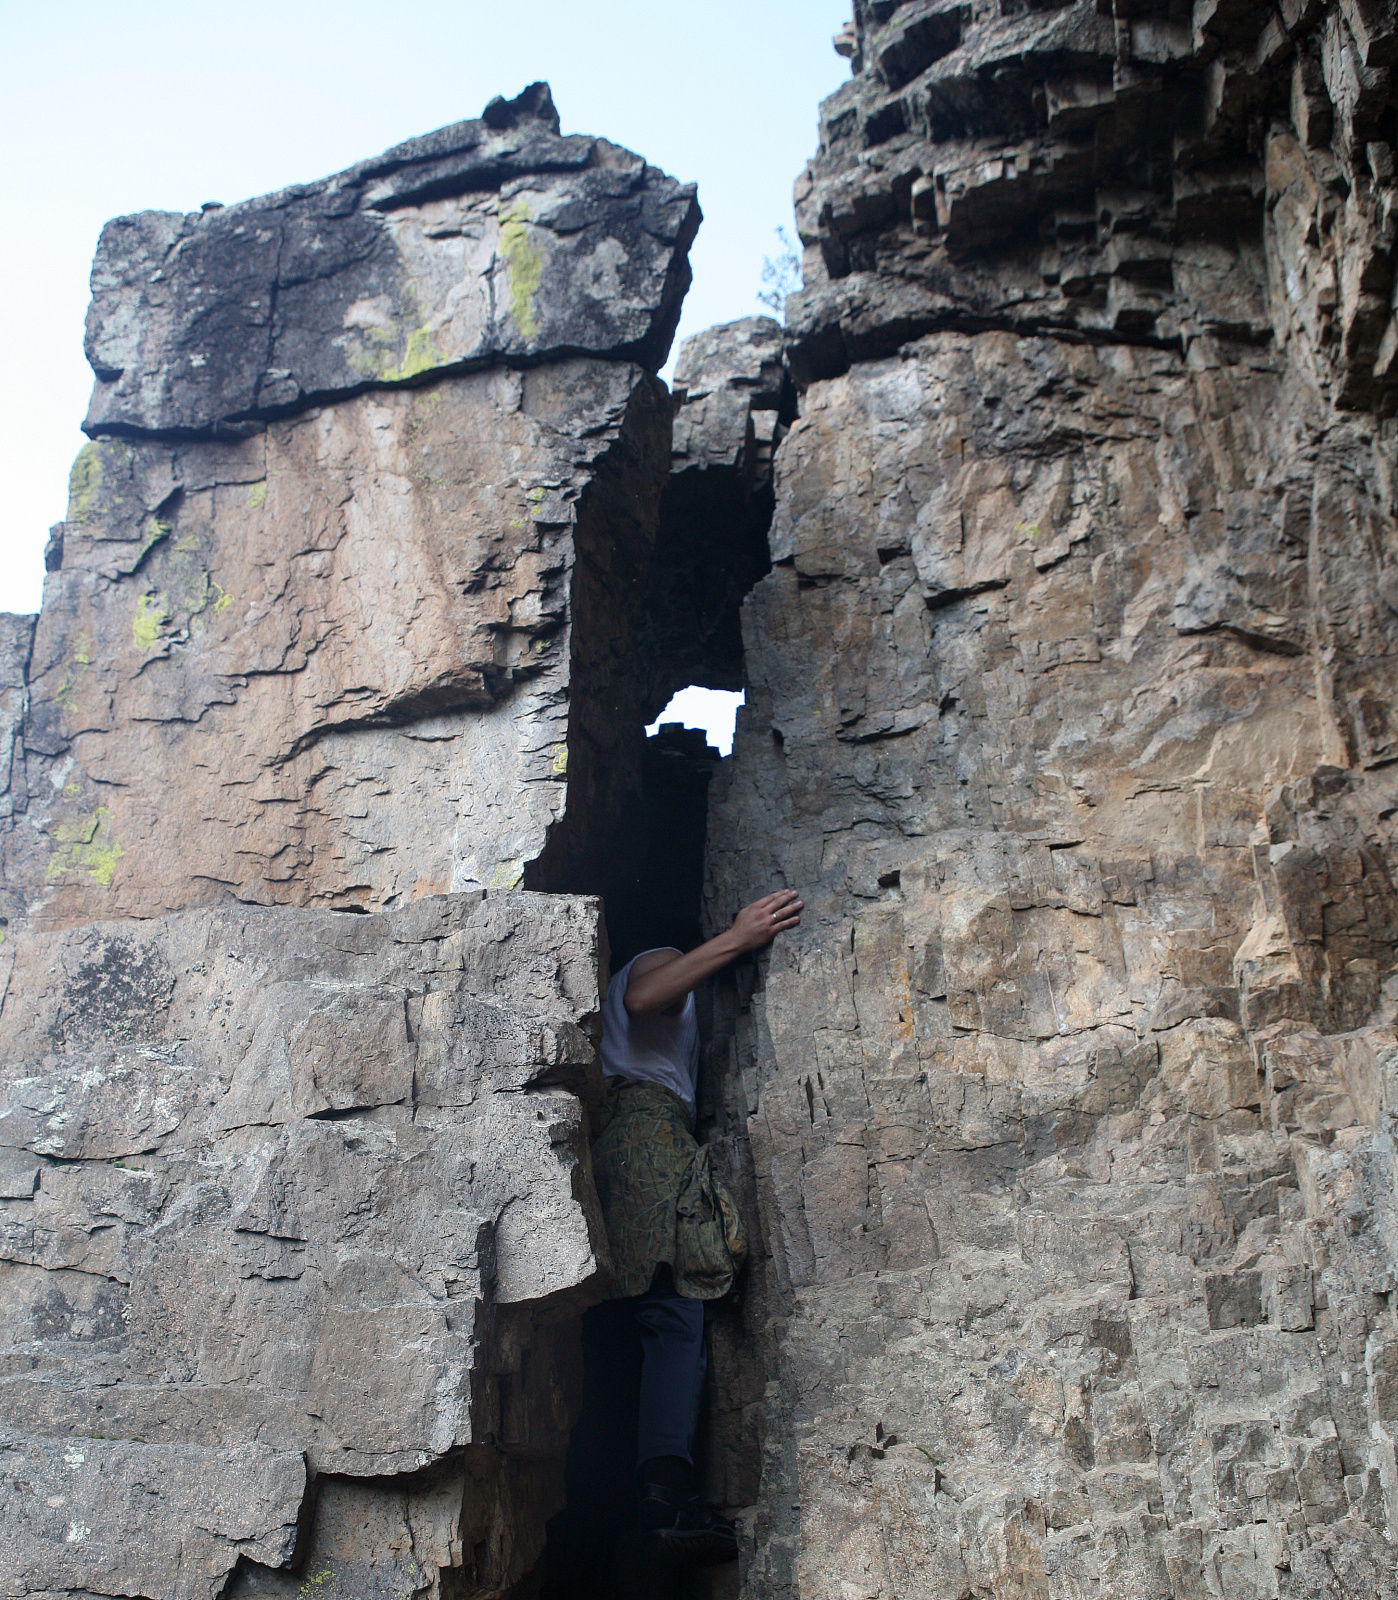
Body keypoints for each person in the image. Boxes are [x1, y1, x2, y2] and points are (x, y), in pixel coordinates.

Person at [589, 888, 803, 1566]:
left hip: (636, 1130)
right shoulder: (655, 960)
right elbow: (644, 998)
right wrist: (736, 939)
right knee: (674, 1309)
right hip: (645, 1129)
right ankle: (665, 1493)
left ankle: (656, 1492)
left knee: (659, 1311)